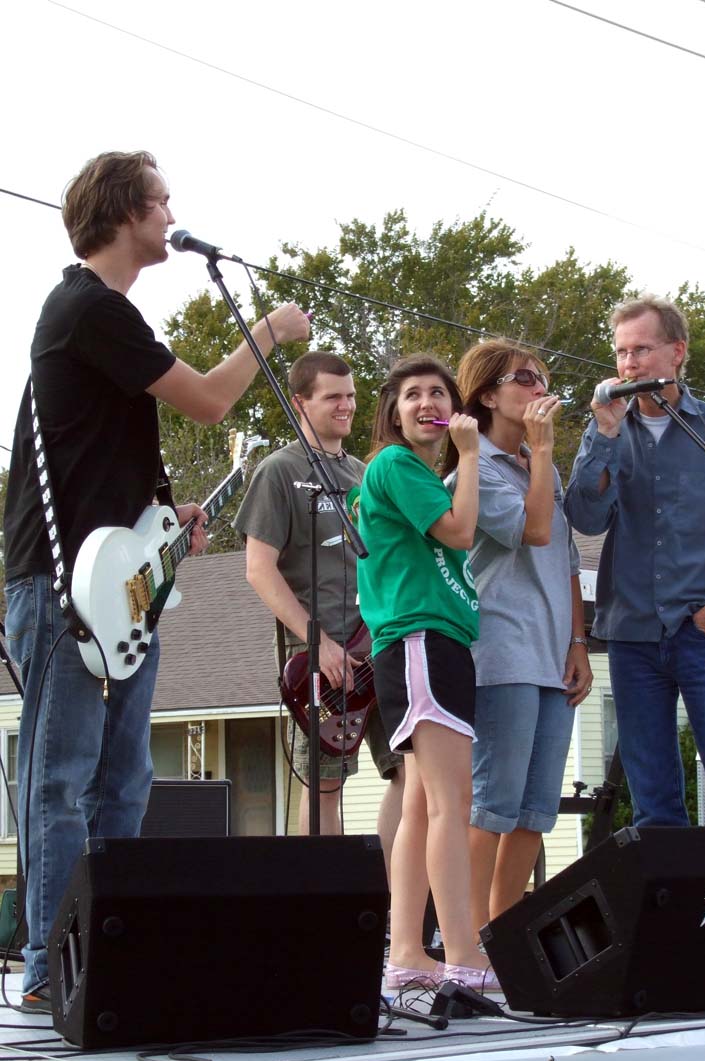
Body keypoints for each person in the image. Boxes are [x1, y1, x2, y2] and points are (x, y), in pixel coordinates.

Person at [2, 150, 310, 1014]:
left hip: (115, 579)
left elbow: (106, 460)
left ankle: (103, 949)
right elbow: (211, 400)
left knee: (124, 781)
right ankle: (48, 963)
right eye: (162, 199)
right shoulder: (86, 307)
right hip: (63, 583)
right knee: (60, 778)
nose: (173, 212)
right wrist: (271, 332)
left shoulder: (107, 319)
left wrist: (168, 532)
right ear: (123, 210)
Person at [564, 293, 705, 828]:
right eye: (620, 352)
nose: (629, 363)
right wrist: (605, 433)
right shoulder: (606, 432)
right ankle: (674, 912)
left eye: (642, 349)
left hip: (704, 634)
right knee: (653, 800)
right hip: (634, 637)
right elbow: (585, 518)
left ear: (677, 352)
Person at [357, 353, 500, 992]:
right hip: (420, 639)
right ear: (392, 412)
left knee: (419, 804)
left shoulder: (414, 473)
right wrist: (470, 457)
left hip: (430, 641)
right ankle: (465, 952)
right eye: (412, 394)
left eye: (438, 393)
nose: (427, 404)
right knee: (452, 803)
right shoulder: (395, 465)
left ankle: (408, 952)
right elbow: (461, 532)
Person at [233, 351, 405, 849]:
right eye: (333, 397)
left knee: (408, 770)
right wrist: (321, 641)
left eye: (351, 395)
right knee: (325, 784)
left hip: (381, 645)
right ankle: (330, 915)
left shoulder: (364, 472)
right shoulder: (278, 471)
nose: (346, 406)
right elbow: (258, 569)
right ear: (300, 403)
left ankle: (395, 906)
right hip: (318, 657)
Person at [450, 339, 592, 939]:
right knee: (493, 806)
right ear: (488, 394)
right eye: (525, 378)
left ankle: (501, 936)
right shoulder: (473, 465)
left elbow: (564, 558)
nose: (540, 388)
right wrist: (542, 450)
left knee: (536, 811)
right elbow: (533, 532)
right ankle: (464, 944)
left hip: (554, 653)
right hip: (502, 651)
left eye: (542, 377)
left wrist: (579, 641)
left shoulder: (543, 466)